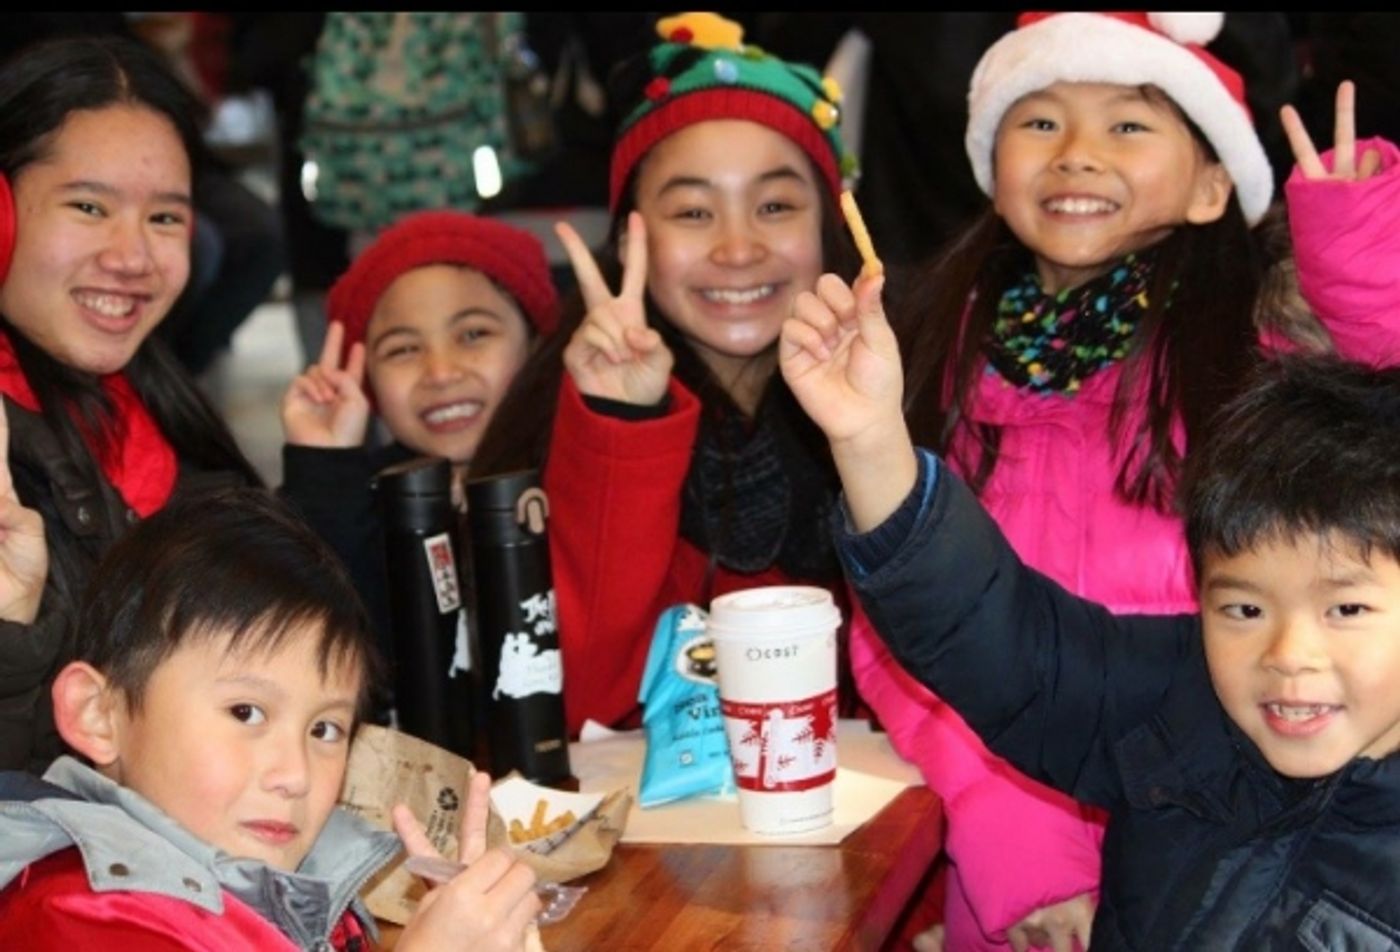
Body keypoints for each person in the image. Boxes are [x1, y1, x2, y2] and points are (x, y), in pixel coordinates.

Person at [803, 12, 1400, 951]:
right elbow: (946, 637)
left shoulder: (1252, 354)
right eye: (1039, 121)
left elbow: (1377, 408)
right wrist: (1025, 853)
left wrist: (1354, 248)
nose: (1077, 153)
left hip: (1237, 812)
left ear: (1213, 184)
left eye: (1127, 123)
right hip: (1010, 857)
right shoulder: (918, 348)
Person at [783, 281, 1400, 945]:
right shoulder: (1180, 702)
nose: (1287, 654)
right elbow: (1005, 645)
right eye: (1245, 609)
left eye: (1346, 608)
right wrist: (871, 442)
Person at [471, 12, 862, 736]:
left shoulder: (906, 392)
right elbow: (577, 708)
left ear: (830, 228)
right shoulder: (560, 418)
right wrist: (621, 426)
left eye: (775, 206)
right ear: (629, 241)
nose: (738, 248)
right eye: (693, 211)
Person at [0, 487, 541, 949]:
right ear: (99, 714)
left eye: (325, 729)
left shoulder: (293, 883)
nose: (295, 775)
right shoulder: (74, 916)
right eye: (246, 712)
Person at [0, 34, 263, 773]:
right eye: (89, 206)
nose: (132, 258)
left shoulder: (168, 418)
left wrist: (327, 470)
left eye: (165, 218)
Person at [280, 210, 559, 670]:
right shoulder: (355, 501)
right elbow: (334, 646)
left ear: (535, 346)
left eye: (473, 334)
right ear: (367, 379)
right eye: (404, 349)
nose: (441, 372)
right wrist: (324, 466)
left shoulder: (578, 475)